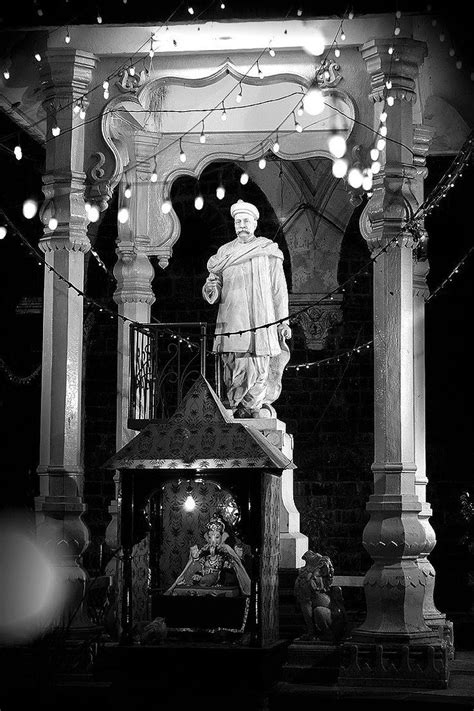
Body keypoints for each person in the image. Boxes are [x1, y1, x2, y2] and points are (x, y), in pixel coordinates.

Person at [202, 199, 291, 418]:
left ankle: (253, 408)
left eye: (246, 221)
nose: (241, 224)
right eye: (238, 221)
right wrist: (211, 288)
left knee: (259, 366)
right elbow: (213, 286)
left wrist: (283, 322)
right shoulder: (224, 253)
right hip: (233, 320)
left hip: (261, 321)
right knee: (234, 365)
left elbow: (279, 290)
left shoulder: (267, 250)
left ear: (254, 224)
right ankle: (233, 405)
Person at [164, 514, 251, 596]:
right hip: (204, 573)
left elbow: (233, 563)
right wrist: (195, 558)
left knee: (212, 579)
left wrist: (226, 558)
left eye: (217, 537)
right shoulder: (205, 548)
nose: (213, 541)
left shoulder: (226, 548)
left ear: (222, 536)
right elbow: (197, 562)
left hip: (219, 575)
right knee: (193, 573)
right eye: (210, 537)